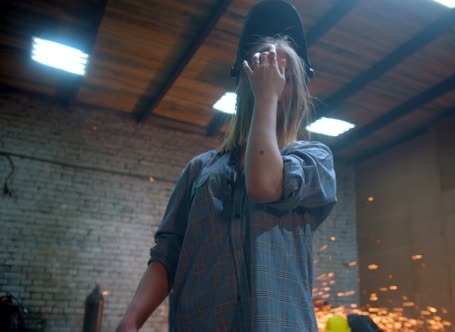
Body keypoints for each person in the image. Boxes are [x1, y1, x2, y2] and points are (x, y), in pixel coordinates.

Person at [116, 1, 337, 331]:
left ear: (299, 92)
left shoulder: (312, 160)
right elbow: (167, 254)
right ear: (244, 83)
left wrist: (266, 99)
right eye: (263, 71)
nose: (272, 81)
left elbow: (264, 185)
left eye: (284, 76)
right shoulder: (198, 170)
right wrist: (131, 320)